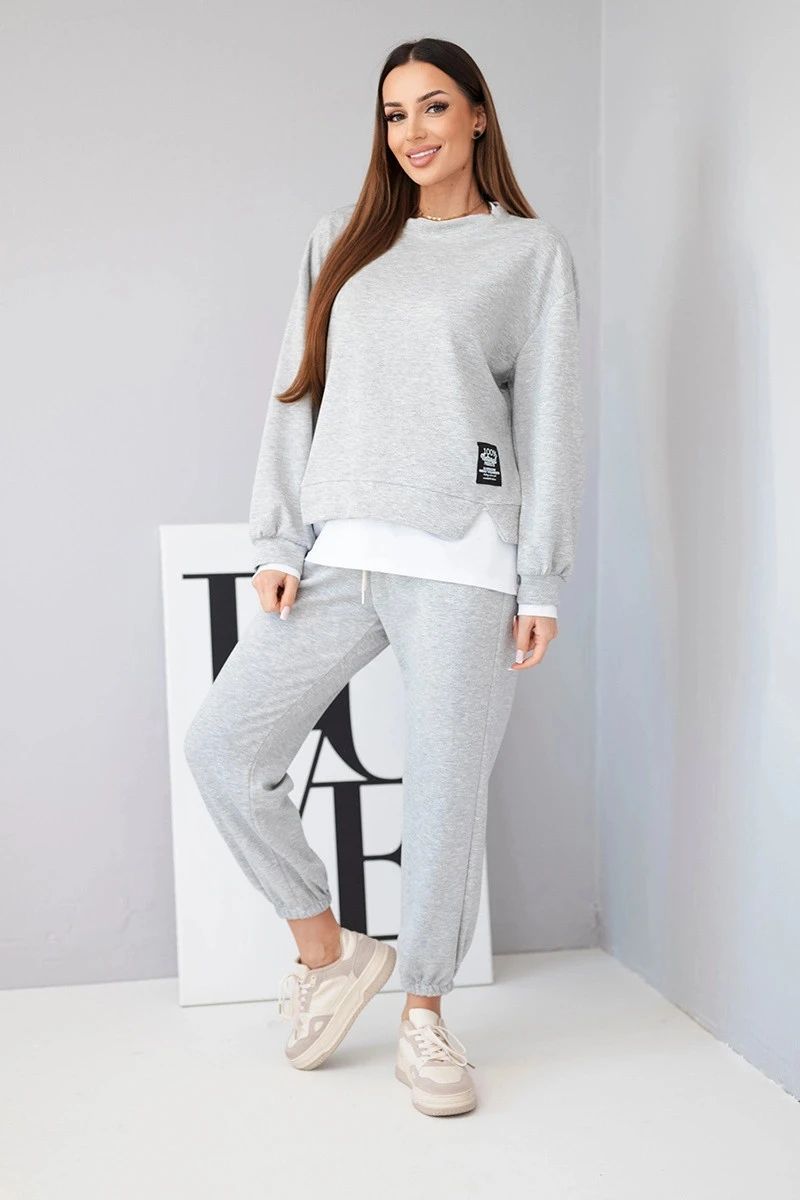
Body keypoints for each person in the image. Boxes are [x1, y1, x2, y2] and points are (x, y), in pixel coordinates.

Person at [183, 35, 585, 1118]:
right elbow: (295, 391)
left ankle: (425, 1017)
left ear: (478, 115)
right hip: (337, 553)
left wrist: (539, 581)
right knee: (223, 747)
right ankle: (329, 953)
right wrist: (278, 543)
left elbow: (548, 420)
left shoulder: (526, 255)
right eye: (395, 113)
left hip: (463, 557)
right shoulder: (341, 240)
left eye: (434, 107)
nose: (413, 132)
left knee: (446, 794)